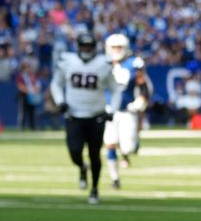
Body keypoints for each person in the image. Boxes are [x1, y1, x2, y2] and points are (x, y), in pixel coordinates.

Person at [50, 32, 120, 204]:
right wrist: (60, 102)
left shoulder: (103, 63)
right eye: (84, 46)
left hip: (96, 115)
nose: (87, 49)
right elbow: (55, 84)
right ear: (79, 47)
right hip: (73, 115)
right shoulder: (68, 61)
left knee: (94, 154)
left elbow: (115, 89)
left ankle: (94, 189)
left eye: (89, 46)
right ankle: (82, 168)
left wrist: (112, 110)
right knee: (74, 152)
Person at [103, 34, 152, 188]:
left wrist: (142, 99)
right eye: (114, 47)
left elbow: (142, 84)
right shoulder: (103, 64)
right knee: (110, 143)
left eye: (119, 47)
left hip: (127, 110)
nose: (117, 50)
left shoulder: (133, 63)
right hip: (109, 109)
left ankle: (128, 150)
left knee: (128, 147)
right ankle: (115, 179)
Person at [16, 58, 43, 131]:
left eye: (28, 67)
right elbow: (20, 86)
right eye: (26, 67)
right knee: (23, 111)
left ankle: (33, 126)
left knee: (32, 112)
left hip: (32, 96)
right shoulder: (21, 76)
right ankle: (21, 127)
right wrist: (29, 91)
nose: (27, 69)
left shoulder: (33, 76)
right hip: (24, 96)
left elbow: (38, 85)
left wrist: (35, 91)